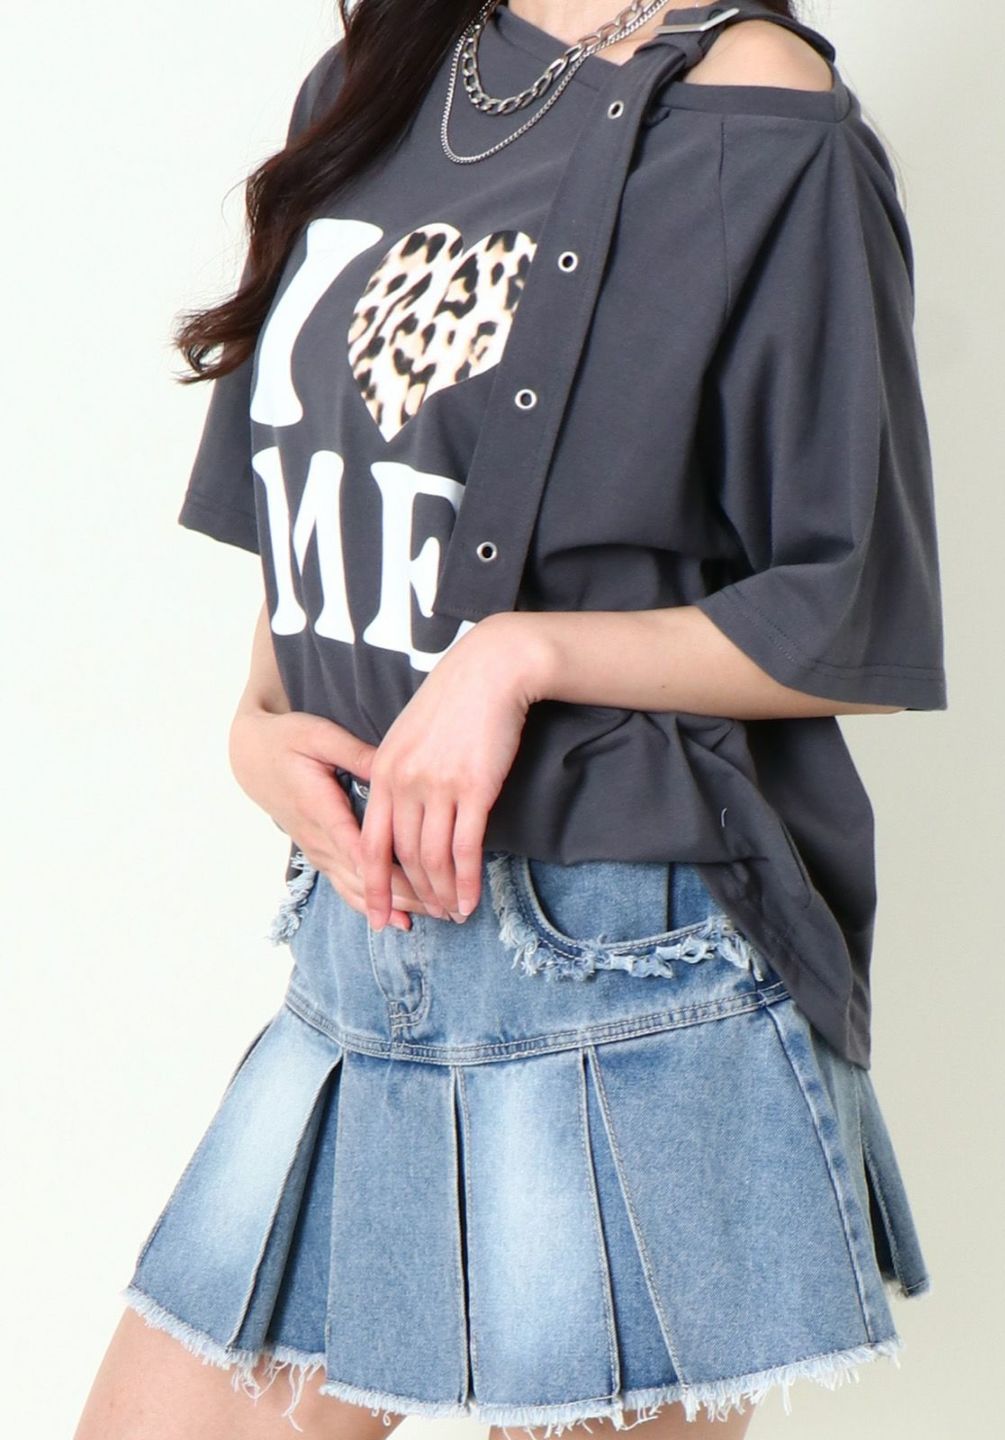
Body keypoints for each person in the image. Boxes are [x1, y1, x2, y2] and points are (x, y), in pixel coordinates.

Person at [75, 2, 948, 1436]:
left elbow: (849, 609)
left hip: (625, 968)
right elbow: (338, 480)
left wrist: (520, 656)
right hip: (357, 959)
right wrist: (258, 714)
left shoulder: (759, 108)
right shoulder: (383, 74)